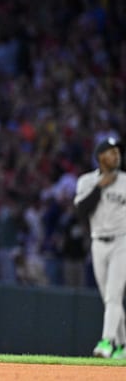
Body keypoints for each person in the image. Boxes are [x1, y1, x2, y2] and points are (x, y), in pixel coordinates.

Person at [74, 137, 126, 359]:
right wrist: (99, 187)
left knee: (114, 296)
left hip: (122, 241)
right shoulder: (86, 181)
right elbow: (81, 211)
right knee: (109, 298)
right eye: (110, 152)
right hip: (98, 243)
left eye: (117, 152)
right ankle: (123, 347)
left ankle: (106, 342)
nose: (116, 155)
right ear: (99, 157)